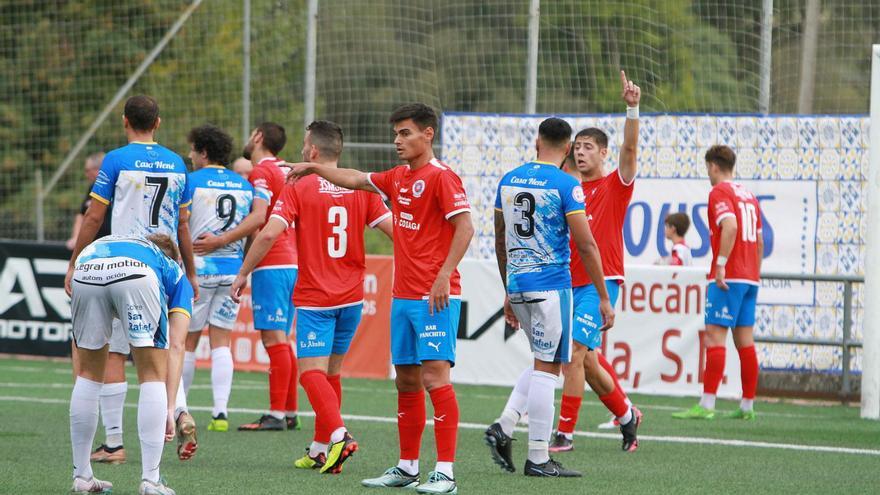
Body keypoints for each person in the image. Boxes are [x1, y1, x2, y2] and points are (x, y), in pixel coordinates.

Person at [288, 103, 473, 495]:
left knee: (435, 377)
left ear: (428, 134)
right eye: (395, 134)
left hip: (435, 296)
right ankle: (407, 467)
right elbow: (356, 178)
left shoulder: (442, 178)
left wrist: (443, 276)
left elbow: (466, 227)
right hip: (403, 296)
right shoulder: (398, 178)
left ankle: (445, 472)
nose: (397, 141)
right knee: (405, 380)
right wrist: (315, 167)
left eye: (405, 133)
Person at [233, 120, 393, 474]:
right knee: (331, 373)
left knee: (310, 374)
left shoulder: (299, 185)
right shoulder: (360, 187)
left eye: (306, 144)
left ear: (314, 152)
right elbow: (394, 230)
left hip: (317, 297)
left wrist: (243, 272)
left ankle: (338, 434)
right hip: (352, 297)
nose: (303, 149)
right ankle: (322, 449)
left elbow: (268, 234)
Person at [64, 95, 199, 466]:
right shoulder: (177, 163)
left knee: (111, 355)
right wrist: (190, 270)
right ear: (158, 123)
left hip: (121, 263)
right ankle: (175, 418)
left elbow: (93, 217)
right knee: (164, 353)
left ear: (125, 122)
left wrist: (75, 262)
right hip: (164, 267)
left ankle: (112, 444)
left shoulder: (117, 160)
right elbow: (184, 225)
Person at [484, 118, 614, 478]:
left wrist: (508, 289)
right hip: (553, 285)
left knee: (543, 360)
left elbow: (499, 238)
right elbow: (586, 245)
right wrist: (604, 296)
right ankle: (538, 457)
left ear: (537, 140)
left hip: (519, 282)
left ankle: (506, 424)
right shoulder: (567, 184)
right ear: (569, 146)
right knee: (548, 368)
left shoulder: (508, 180)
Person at [549, 72, 643, 453]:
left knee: (573, 353)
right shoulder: (567, 187)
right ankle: (627, 415)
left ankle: (564, 434)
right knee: (586, 362)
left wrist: (632, 107)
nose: (582, 152)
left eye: (589, 147)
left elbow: (631, 151)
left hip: (601, 282)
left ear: (604, 153)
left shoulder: (615, 185)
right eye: (578, 147)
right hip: (565, 281)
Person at [68, 233, 193, 495]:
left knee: (89, 375)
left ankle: (82, 476)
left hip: (87, 266)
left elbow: (78, 351)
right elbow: (178, 345)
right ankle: (151, 480)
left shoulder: (121, 242)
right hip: (137, 275)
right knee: (151, 375)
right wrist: (171, 409)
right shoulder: (174, 272)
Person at [673, 145, 763, 421]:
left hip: (729, 274)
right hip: (749, 277)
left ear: (713, 165)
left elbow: (731, 225)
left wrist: (722, 264)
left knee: (715, 336)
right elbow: (759, 240)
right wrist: (754, 272)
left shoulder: (719, 192)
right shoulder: (749, 195)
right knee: (745, 341)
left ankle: (707, 404)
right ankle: (747, 406)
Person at [225, 122, 301, 432]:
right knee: (283, 340)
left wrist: (222, 240)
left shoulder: (262, 171)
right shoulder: (286, 170)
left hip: (273, 261)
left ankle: (275, 414)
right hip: (294, 261)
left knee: (274, 340)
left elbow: (259, 218)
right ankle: (290, 411)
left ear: (258, 137)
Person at [180, 124, 255, 434]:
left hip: (198, 270)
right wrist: (244, 269)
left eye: (192, 149)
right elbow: (254, 229)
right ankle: (221, 412)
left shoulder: (191, 181)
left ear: (204, 152)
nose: (189, 155)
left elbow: (180, 225)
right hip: (231, 270)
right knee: (222, 341)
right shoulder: (245, 185)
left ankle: (179, 410)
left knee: (187, 343)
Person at [66, 152, 110, 250]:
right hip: (93, 245)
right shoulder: (93, 188)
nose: (86, 174)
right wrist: (76, 237)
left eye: (88, 170)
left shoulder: (116, 188)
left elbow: (94, 218)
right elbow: (81, 214)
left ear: (99, 169)